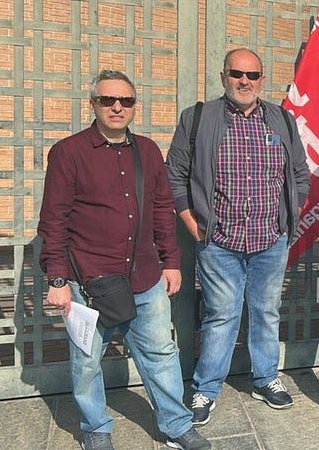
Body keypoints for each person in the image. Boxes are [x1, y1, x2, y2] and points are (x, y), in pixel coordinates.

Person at [39, 70, 210, 450]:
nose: (117, 107)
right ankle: (96, 428)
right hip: (88, 281)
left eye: (126, 100)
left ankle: (176, 425)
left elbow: (163, 209)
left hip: (144, 277)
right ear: (93, 104)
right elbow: (53, 220)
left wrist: (171, 261)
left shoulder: (147, 151)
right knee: (86, 362)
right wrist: (57, 280)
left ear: (134, 106)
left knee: (161, 354)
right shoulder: (69, 152)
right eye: (108, 100)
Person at [166, 48, 310, 426]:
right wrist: (192, 223)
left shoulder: (281, 119)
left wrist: (288, 217)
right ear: (223, 77)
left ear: (262, 79)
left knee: (266, 311)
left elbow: (299, 172)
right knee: (221, 315)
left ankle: (265, 378)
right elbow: (174, 176)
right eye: (237, 74)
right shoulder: (198, 118)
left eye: (252, 75)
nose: (244, 81)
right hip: (219, 242)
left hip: (270, 239)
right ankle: (206, 388)